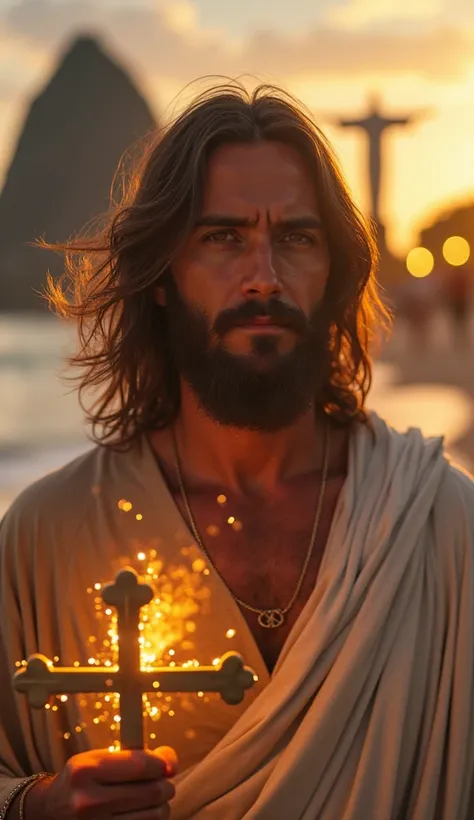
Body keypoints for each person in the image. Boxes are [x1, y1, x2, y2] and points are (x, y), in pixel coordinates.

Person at [1, 82, 474, 820]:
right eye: (222, 237)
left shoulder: (442, 526)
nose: (265, 276)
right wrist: (39, 806)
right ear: (161, 276)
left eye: (296, 238)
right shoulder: (46, 536)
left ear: (336, 274)